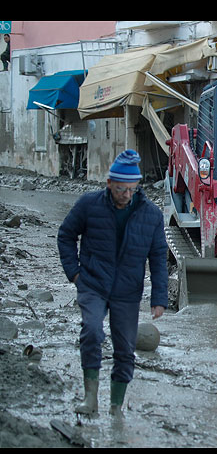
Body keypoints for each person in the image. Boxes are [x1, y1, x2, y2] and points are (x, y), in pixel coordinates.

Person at [57, 150, 168, 418]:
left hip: (127, 291)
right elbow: (65, 235)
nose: (126, 195)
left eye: (132, 189)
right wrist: (75, 274)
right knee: (93, 331)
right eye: (120, 189)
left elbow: (158, 258)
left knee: (125, 349)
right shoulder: (89, 205)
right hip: (93, 283)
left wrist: (159, 299)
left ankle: (116, 406)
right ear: (109, 184)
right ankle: (90, 398)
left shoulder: (151, 215)